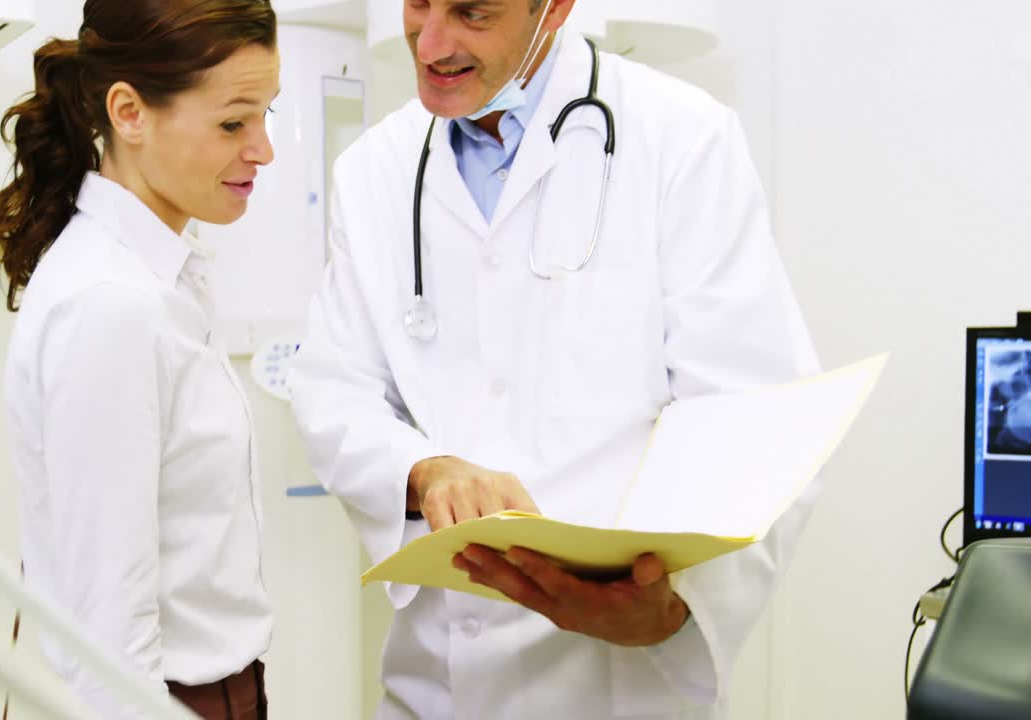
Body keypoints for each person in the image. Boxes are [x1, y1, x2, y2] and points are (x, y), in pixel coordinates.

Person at [288, 0, 821, 718]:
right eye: (418, 3)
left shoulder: (683, 141)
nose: (433, 42)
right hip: (434, 686)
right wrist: (421, 469)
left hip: (621, 684)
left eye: (473, 12)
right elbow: (335, 390)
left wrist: (675, 610)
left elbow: (759, 417)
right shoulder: (373, 171)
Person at [0, 1, 279, 717]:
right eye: (234, 122)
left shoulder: (159, 280)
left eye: (267, 114)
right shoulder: (113, 306)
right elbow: (108, 648)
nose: (263, 149)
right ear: (129, 112)